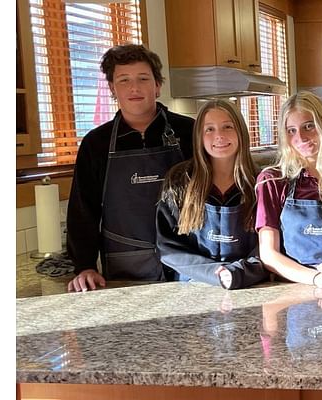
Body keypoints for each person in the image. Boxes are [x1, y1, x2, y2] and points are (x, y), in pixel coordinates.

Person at [66, 44, 195, 292]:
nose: (134, 88)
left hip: (190, 262)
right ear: (113, 89)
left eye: (143, 79)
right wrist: (84, 266)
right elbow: (83, 211)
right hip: (124, 270)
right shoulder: (96, 143)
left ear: (157, 85)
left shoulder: (190, 131)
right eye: (124, 80)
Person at [256, 91, 322, 289]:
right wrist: (316, 277)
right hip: (297, 288)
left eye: (308, 126)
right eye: (291, 131)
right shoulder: (273, 181)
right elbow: (269, 255)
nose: (301, 137)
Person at [156, 100, 267, 289]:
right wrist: (212, 273)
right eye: (209, 129)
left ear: (241, 131)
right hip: (192, 287)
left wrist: (240, 272)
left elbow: (269, 246)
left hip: (248, 286)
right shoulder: (179, 181)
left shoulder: (261, 183)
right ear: (199, 136)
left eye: (227, 127)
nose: (219, 136)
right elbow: (167, 247)